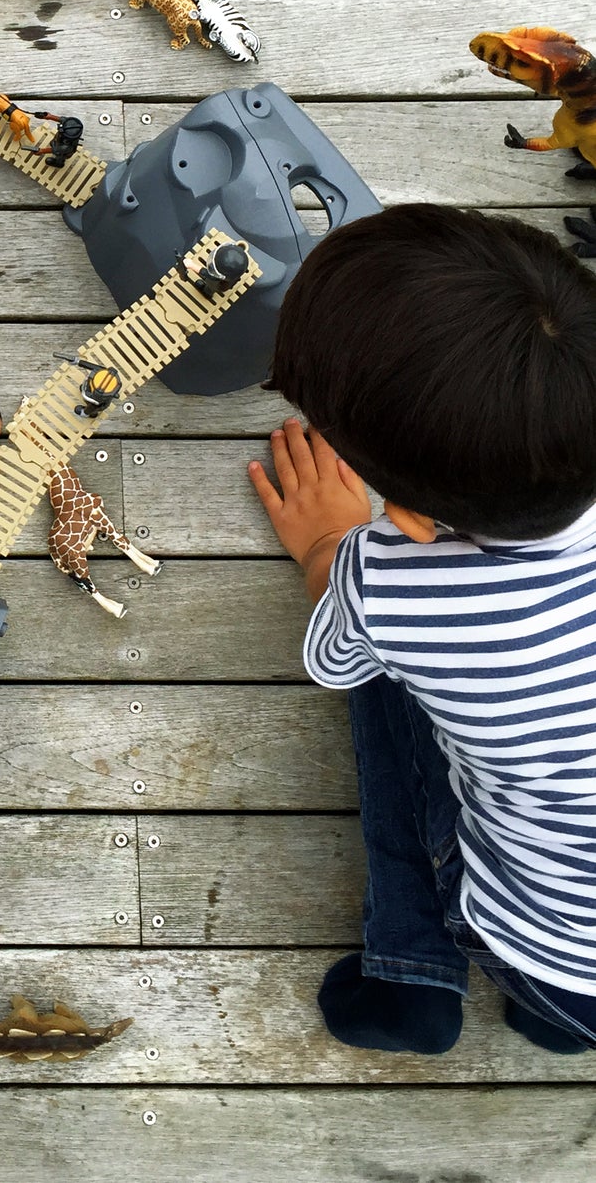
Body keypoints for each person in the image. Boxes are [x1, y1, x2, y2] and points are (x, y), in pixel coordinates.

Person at [249, 204, 596, 1057]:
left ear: (405, 515)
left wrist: (330, 546)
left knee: (378, 674)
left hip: (542, 950)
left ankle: (409, 972)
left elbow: (339, 653)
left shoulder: (395, 582)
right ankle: (552, 1024)